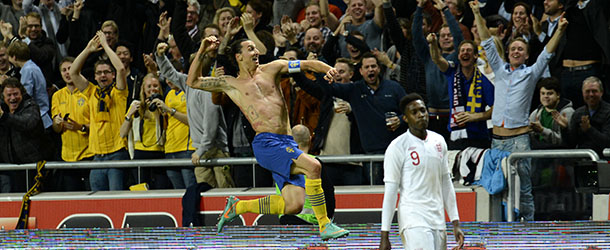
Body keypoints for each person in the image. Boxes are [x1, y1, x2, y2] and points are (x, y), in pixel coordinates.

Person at [186, 36, 349, 240]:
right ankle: (325, 225)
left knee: (294, 205)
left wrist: (327, 69)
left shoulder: (274, 68)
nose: (256, 52)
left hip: (287, 143)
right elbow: (192, 81)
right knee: (314, 166)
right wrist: (202, 49)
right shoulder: (231, 84)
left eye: (256, 48)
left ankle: (238, 206)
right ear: (238, 56)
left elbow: (307, 64)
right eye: (250, 49)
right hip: (267, 143)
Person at [471, 0, 568, 221]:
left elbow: (546, 54)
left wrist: (560, 30)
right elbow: (486, 41)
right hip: (496, 140)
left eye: (521, 49)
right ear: (508, 52)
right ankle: (500, 231)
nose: (516, 51)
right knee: (497, 188)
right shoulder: (499, 69)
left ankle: (528, 232)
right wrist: (476, 12)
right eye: (513, 48)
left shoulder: (532, 73)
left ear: (526, 56)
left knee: (523, 190)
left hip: (519, 140)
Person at [379, 93, 464, 250]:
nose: (421, 115)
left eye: (423, 110)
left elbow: (446, 183)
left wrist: (455, 222)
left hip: (438, 219)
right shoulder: (397, 147)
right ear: (405, 118)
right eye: (415, 112)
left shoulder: (439, 141)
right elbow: (390, 192)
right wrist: (385, 234)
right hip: (413, 219)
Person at [70, 31, 129, 191]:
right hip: (96, 156)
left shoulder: (119, 92)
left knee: (116, 201)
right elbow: (73, 73)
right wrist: (88, 50)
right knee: (97, 201)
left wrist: (106, 46)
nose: (103, 75)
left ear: (112, 75)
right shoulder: (91, 92)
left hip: (117, 154)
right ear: (94, 77)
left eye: (106, 72)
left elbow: (121, 69)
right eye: (99, 73)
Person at [428, 36, 494, 150]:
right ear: (458, 56)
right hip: (456, 136)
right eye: (462, 51)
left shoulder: (483, 81)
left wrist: (475, 117)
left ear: (475, 56)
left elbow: (497, 109)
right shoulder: (452, 72)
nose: (465, 53)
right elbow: (437, 59)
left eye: (469, 50)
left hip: (478, 138)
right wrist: (433, 43)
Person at [51, 57, 94, 191]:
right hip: (67, 158)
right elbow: (56, 129)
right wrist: (57, 123)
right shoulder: (57, 96)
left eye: (70, 68)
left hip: (89, 155)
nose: (67, 72)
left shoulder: (89, 93)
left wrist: (80, 127)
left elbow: (99, 125)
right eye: (64, 70)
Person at [568, 76, 610, 157]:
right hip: (582, 159)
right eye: (587, 91)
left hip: (604, 160)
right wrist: (564, 128)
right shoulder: (578, 113)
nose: (591, 95)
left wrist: (589, 129)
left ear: (601, 92)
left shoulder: (608, 112)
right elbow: (570, 144)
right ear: (582, 93)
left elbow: (607, 142)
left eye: (594, 91)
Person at [529, 77, 574, 149]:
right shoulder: (535, 114)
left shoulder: (567, 113)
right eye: (543, 93)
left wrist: (542, 131)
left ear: (558, 95)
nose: (545, 96)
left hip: (560, 154)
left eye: (549, 93)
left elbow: (565, 142)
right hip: (539, 153)